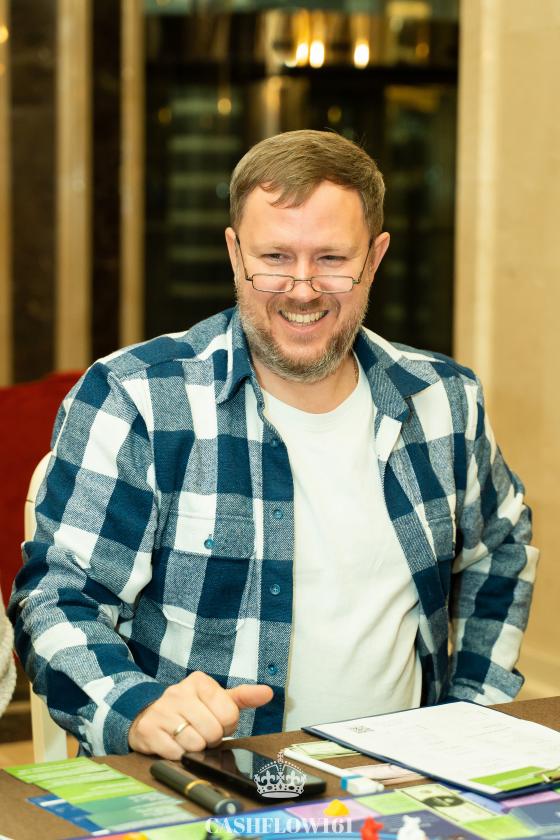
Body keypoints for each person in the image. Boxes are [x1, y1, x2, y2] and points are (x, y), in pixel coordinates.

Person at [9, 130, 538, 759]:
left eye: (332, 259)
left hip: (402, 781)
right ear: (235, 254)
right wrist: (136, 707)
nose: (303, 288)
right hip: (205, 778)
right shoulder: (136, 398)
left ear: (375, 258)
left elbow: (498, 551)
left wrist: (472, 718)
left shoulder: (445, 400)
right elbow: (56, 598)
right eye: (276, 258)